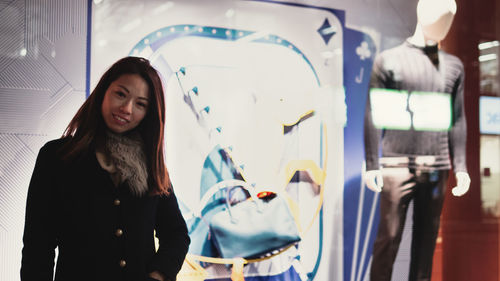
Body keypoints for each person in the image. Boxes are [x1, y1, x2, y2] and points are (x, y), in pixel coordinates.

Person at [21, 57, 190, 281]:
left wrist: (158, 275)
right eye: (121, 94)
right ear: (103, 92)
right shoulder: (57, 156)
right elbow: (38, 246)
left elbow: (177, 234)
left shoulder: (151, 165)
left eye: (140, 104)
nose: (127, 109)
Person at [363, 0, 471, 280]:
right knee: (388, 241)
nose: (445, 25)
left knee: (425, 247)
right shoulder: (389, 60)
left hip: (436, 168)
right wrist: (373, 164)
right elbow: (373, 112)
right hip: (397, 166)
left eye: (450, 19)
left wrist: (460, 166)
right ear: (422, 13)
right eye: (440, 16)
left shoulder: (453, 67)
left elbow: (457, 119)